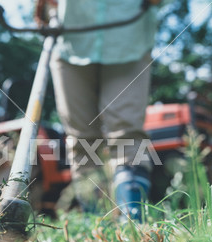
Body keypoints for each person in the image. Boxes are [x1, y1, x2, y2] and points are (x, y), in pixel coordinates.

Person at [35, 0, 160, 221]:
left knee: (127, 134)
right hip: (70, 40)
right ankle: (97, 225)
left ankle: (132, 222)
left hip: (128, 38)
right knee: (82, 140)